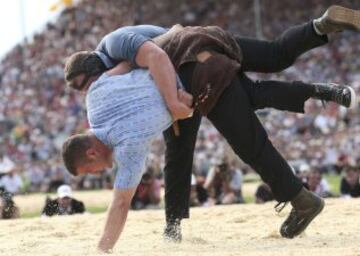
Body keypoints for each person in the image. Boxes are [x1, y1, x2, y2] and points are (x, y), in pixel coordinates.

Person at [62, 5, 359, 251]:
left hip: (187, 64)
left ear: (93, 69)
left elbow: (157, 55)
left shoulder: (113, 45)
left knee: (232, 143)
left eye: (83, 84)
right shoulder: (101, 86)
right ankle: (319, 38)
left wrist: (173, 103)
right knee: (267, 67)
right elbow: (132, 67)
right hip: (200, 50)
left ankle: (177, 224)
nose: (84, 90)